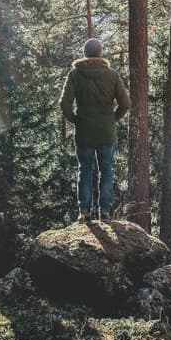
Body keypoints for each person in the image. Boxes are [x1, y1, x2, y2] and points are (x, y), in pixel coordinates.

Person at [58, 38, 130, 222]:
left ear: (85, 53)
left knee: (85, 170)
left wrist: (75, 120)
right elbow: (126, 104)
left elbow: (64, 104)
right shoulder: (112, 74)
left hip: (84, 131)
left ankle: (84, 212)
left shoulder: (75, 74)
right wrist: (112, 119)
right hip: (106, 131)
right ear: (100, 53)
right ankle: (105, 212)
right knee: (106, 170)